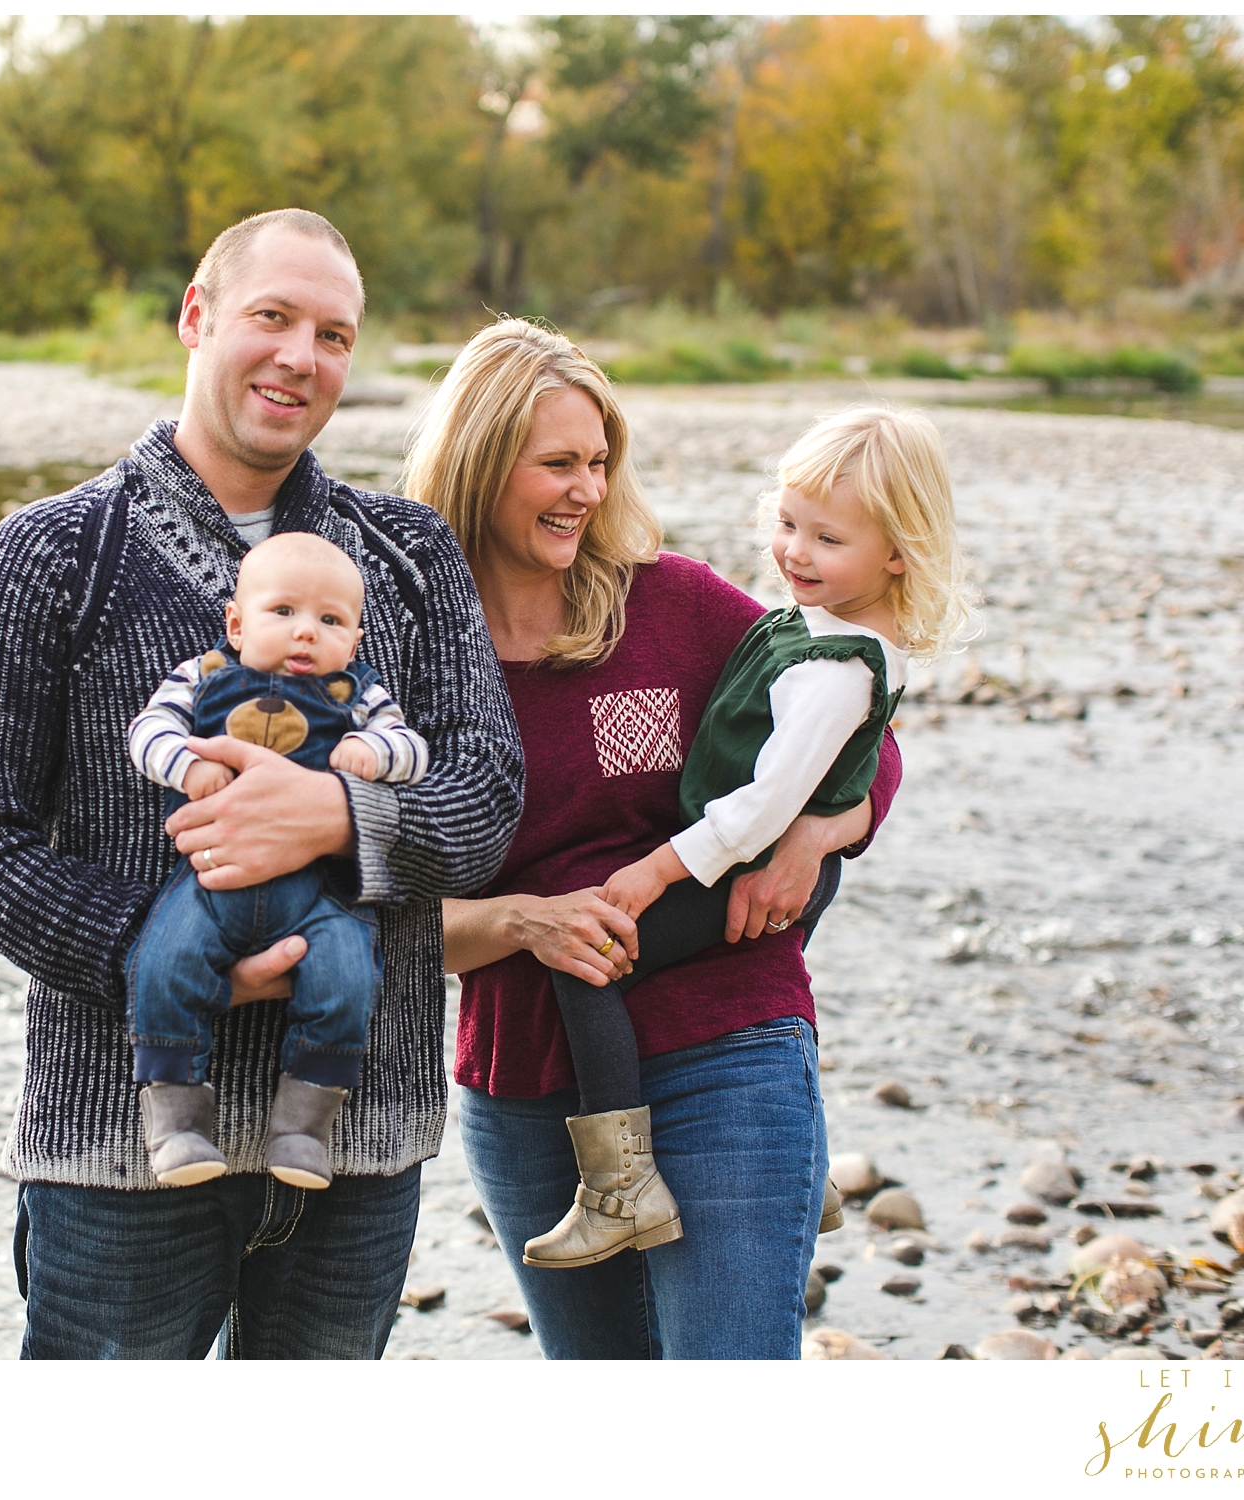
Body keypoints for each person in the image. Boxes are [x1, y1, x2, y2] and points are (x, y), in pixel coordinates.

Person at [0, 209, 522, 1360]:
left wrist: (341, 817)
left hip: (358, 1145)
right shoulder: (51, 553)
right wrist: (172, 957)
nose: (301, 356)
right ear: (196, 317)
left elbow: (488, 798)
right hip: (119, 1153)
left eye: (333, 334)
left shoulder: (408, 554)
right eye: (272, 317)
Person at [409, 319, 903, 1360]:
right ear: (478, 460)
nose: (586, 489)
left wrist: (818, 833)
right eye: (556, 464)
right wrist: (518, 921)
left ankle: (784, 1159)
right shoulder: (406, 656)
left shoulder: (669, 604)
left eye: (598, 462)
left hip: (722, 1044)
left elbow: (853, 721)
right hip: (524, 1082)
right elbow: (372, 919)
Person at [522, 405, 972, 1270]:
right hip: (739, 852)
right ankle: (808, 1166)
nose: (795, 552)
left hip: (743, 859)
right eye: (789, 525)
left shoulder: (837, 665)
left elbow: (773, 799)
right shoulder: (814, 625)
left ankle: (621, 1189)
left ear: (896, 553)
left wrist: (663, 867)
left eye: (825, 540)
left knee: (586, 956)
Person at [124, 531, 429, 1189]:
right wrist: (184, 766)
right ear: (236, 623)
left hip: (317, 892)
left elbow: (411, 748)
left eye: (330, 621)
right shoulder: (203, 674)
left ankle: (303, 1124)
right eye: (283, 612)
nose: (305, 634)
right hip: (210, 879)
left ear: (354, 640)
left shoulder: (358, 692)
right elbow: (147, 731)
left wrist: (374, 758)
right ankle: (175, 1118)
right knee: (165, 960)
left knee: (348, 976)